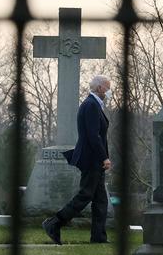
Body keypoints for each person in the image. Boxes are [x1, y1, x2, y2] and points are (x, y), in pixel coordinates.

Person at [43, 75, 112, 245]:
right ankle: (54, 223)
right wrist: (104, 157)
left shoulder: (94, 105)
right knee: (86, 195)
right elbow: (93, 136)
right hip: (92, 159)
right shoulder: (91, 105)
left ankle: (98, 237)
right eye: (108, 88)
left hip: (94, 159)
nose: (110, 91)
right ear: (100, 88)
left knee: (100, 200)